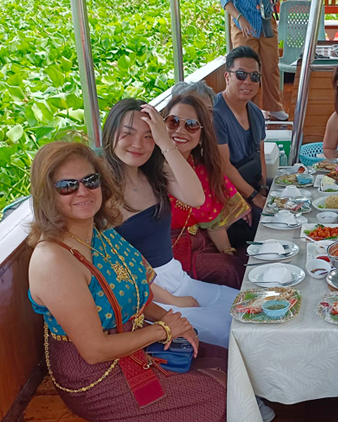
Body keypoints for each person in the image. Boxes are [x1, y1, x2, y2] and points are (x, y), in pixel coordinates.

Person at [26, 141, 263, 422]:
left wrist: (170, 318)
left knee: (222, 359)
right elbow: (94, 350)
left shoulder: (99, 235)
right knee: (208, 395)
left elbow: (136, 295)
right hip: (95, 376)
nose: (83, 192)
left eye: (90, 180)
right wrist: (164, 330)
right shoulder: (53, 259)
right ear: (47, 194)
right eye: (67, 186)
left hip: (132, 342)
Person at [101, 97, 240, 349]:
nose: (138, 144)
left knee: (247, 308)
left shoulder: (153, 173)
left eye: (148, 136)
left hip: (179, 278)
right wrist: (173, 300)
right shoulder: (101, 193)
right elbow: (120, 268)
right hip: (149, 296)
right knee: (231, 330)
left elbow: (196, 198)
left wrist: (165, 143)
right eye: (128, 134)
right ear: (110, 134)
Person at [161, 93, 251, 290]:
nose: (180, 130)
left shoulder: (200, 168)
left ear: (202, 136)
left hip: (201, 242)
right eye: (173, 121)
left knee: (248, 260)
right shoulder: (153, 166)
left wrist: (228, 252)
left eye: (191, 125)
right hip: (171, 252)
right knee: (232, 270)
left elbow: (213, 222)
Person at [217, 0, 289, 120]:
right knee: (245, 70)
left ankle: (274, 107)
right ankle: (247, 110)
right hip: (244, 27)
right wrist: (240, 18)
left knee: (271, 66)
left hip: (266, 24)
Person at [213, 46, 271, 247]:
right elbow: (223, 166)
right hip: (225, 193)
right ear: (227, 77)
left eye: (254, 76)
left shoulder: (255, 113)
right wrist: (254, 197)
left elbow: (260, 154)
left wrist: (263, 188)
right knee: (265, 220)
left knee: (287, 196)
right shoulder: (216, 114)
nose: (248, 81)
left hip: (250, 182)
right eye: (241, 74)